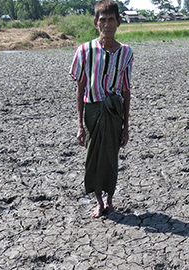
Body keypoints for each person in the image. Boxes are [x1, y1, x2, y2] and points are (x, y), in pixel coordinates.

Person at [70, 0, 134, 218]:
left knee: (111, 158)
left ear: (119, 22)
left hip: (115, 112)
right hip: (93, 112)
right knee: (94, 158)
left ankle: (110, 201)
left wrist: (125, 126)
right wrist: (79, 125)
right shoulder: (84, 51)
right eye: (102, 20)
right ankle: (98, 202)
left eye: (111, 20)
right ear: (95, 23)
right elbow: (80, 89)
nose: (107, 25)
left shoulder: (126, 53)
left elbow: (126, 90)